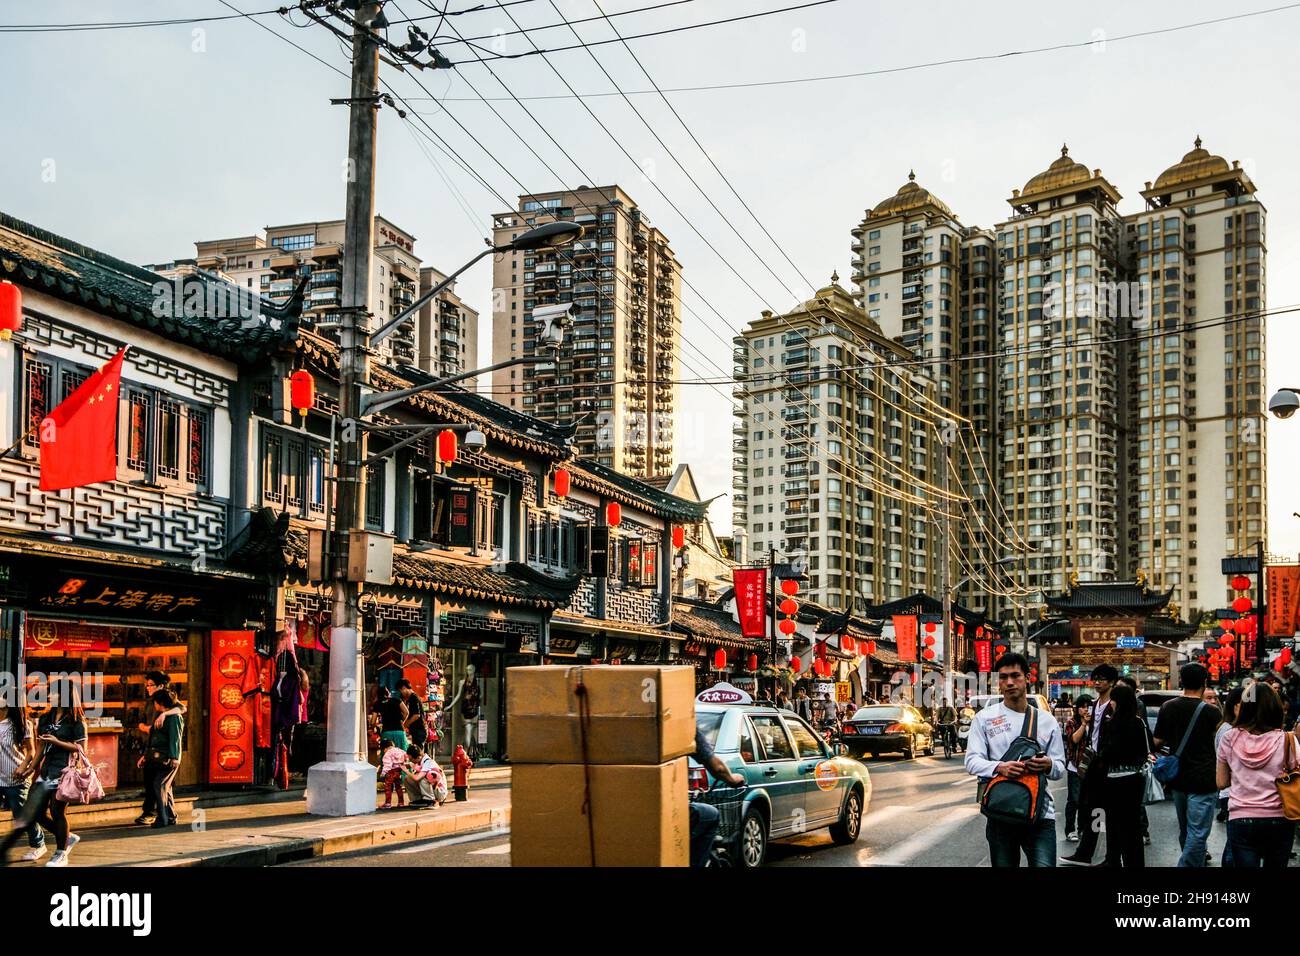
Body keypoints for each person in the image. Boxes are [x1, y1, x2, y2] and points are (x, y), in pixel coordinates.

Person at [965, 653, 1066, 867]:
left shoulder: (1046, 721)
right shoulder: (985, 718)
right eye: (1003, 677)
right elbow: (972, 761)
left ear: (1027, 677)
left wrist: (1048, 764)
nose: (1009, 682)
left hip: (1039, 814)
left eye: (1015, 676)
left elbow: (1059, 768)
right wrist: (1000, 767)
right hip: (1001, 813)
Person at [1216, 681, 1295, 867]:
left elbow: (1221, 782)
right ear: (1275, 708)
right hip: (1280, 817)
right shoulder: (1287, 740)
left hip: (1241, 817)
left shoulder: (1229, 737)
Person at [1153, 662, 1222, 867]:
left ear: (1181, 681)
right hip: (1204, 778)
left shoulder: (1168, 707)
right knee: (1198, 832)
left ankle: (1192, 862)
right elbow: (1221, 743)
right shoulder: (1212, 712)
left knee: (1186, 830)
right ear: (1204, 682)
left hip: (1178, 778)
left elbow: (1157, 742)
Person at [1061, 664, 1118, 865]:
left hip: (1109, 765)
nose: (1097, 682)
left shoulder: (1114, 704)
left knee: (1108, 812)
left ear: (1112, 682)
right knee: (1093, 808)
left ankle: (1111, 857)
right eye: (1095, 678)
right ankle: (1086, 852)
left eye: (1102, 679)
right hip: (1093, 763)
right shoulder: (1093, 705)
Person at [30, 680, 88, 867]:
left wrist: (57, 742)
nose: (49, 696)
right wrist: (30, 768)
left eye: (54, 693)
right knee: (34, 812)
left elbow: (81, 749)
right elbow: (40, 746)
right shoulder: (46, 718)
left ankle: (61, 852)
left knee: (57, 811)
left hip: (64, 771)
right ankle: (67, 838)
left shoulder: (77, 721)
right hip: (46, 770)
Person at [1096, 684, 1150, 867]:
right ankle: (1134, 862)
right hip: (1135, 779)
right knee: (1132, 824)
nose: (1110, 704)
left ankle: (1113, 859)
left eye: (1113, 700)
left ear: (1118, 702)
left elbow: (1106, 753)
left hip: (1113, 780)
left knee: (1113, 822)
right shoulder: (1138, 723)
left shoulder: (1112, 724)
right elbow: (1148, 747)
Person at [688, 726, 746, 867]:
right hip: (667, 808)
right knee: (710, 815)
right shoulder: (684, 725)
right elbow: (717, 767)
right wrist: (732, 779)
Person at [135, 671, 185, 826]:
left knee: (158, 785)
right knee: (160, 785)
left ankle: (158, 816)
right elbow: (143, 723)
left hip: (164, 755)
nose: (148, 688)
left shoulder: (171, 707)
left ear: (160, 686)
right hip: (152, 751)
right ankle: (169, 816)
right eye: (147, 685)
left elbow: (181, 710)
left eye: (150, 685)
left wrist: (165, 714)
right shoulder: (150, 702)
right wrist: (145, 728)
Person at [0, 693, 45, 861]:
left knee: (21, 815)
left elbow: (31, 751)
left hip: (15, 777)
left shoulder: (21, 724)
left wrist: (22, 767)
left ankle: (39, 844)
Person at [1116, 674, 1155, 845]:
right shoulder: (1120, 708)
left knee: (1136, 801)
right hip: (1124, 764)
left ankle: (1141, 831)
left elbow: (1141, 733)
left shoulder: (1136, 707)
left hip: (1132, 762)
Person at [1214, 686, 1245, 865]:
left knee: (1235, 844)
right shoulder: (1228, 731)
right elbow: (1223, 777)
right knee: (1235, 846)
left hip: (1238, 794)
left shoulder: (1234, 729)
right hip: (1231, 793)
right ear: (1236, 706)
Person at [1062, 695, 1092, 843]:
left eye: (1088, 706)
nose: (1085, 709)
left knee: (1086, 800)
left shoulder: (1094, 722)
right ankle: (1070, 829)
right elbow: (1073, 739)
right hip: (1075, 766)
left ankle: (1082, 828)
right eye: (1082, 706)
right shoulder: (1072, 722)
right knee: (1074, 799)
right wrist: (1083, 725)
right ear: (1077, 708)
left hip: (1090, 768)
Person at [378, 738, 406, 809]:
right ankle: (401, 802)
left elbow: (388, 765)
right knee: (398, 787)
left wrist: (383, 773)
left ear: (385, 748)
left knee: (388, 788)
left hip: (390, 772)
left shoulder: (387, 754)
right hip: (398, 771)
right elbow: (405, 757)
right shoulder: (400, 751)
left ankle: (388, 804)